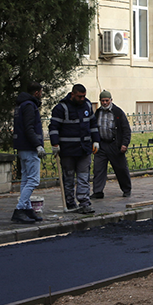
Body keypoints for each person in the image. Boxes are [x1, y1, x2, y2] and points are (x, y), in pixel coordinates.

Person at [49, 83, 99, 214]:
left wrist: (96, 141)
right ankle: (70, 203)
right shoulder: (61, 108)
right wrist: (55, 144)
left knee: (84, 177)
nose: (82, 99)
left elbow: (93, 124)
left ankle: (84, 203)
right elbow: (54, 127)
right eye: (79, 96)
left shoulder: (87, 105)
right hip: (68, 150)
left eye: (83, 96)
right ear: (72, 95)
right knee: (68, 178)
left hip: (84, 149)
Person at [11, 82, 47, 224]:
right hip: (29, 147)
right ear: (37, 92)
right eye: (41, 92)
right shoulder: (29, 106)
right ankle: (20, 209)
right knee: (33, 180)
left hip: (22, 146)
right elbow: (29, 128)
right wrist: (38, 145)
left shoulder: (21, 105)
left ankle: (26, 208)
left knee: (26, 179)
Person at [92, 90, 132, 198]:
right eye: (102, 101)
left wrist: (124, 144)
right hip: (101, 145)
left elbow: (126, 130)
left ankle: (126, 189)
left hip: (115, 144)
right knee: (98, 169)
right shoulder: (98, 112)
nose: (104, 103)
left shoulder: (118, 112)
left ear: (111, 100)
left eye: (106, 100)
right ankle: (98, 191)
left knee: (121, 168)